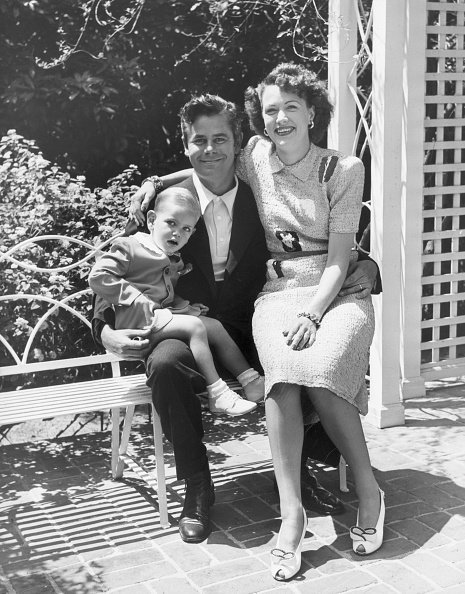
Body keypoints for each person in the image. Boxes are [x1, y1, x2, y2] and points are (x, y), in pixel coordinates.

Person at [94, 93, 378, 546]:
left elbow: (316, 246)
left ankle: (298, 473)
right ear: (185, 145)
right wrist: (107, 331)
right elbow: (120, 276)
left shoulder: (264, 195)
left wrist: (369, 269)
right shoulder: (166, 207)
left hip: (252, 322)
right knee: (165, 366)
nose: (210, 151)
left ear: (239, 141)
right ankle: (197, 487)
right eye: (198, 141)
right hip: (186, 328)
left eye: (220, 139)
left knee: (292, 348)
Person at [234, 62, 382, 581]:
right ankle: (291, 514)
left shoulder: (342, 168)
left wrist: (313, 312)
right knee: (282, 379)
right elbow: (208, 173)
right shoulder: (254, 156)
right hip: (276, 292)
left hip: (334, 292)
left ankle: (369, 491)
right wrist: (162, 180)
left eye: (290, 107)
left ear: (312, 112)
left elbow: (341, 259)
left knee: (319, 368)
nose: (279, 119)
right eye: (270, 109)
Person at [89, 187, 263, 416]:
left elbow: (164, 293)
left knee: (215, 326)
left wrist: (186, 306)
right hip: (136, 322)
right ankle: (218, 393)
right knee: (196, 327)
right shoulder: (130, 246)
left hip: (159, 316)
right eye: (171, 223)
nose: (177, 233)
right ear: (151, 220)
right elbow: (98, 276)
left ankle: (251, 381)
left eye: (186, 229)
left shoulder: (171, 258)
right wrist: (135, 298)